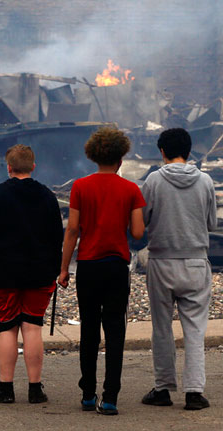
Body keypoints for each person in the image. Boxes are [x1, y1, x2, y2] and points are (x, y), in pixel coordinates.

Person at [58, 127, 146, 415]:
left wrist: (63, 270)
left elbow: (72, 230)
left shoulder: (81, 187)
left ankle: (87, 394)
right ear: (120, 159)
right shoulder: (131, 189)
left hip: (89, 266)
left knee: (89, 329)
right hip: (116, 266)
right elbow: (137, 231)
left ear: (93, 157)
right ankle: (110, 397)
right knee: (115, 330)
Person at [0, 144, 63, 405]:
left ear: (8, 167)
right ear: (33, 167)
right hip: (39, 273)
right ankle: (35, 389)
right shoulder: (47, 196)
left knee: (7, 329)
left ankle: (6, 388)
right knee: (33, 328)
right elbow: (57, 238)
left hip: (2, 274)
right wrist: (55, 271)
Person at [139, 128, 217, 411]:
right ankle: (194, 392)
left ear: (162, 152)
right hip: (196, 262)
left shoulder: (153, 181)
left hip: (161, 262)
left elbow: (143, 220)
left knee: (161, 329)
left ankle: (163, 388)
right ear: (189, 150)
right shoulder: (206, 181)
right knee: (195, 330)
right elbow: (212, 223)